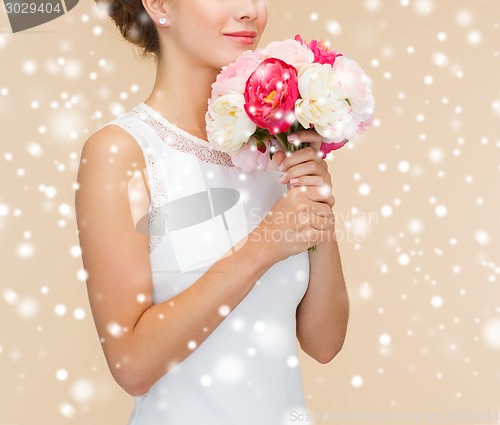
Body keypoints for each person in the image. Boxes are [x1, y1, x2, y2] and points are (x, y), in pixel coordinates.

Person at [75, 0, 349, 423]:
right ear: (160, 6)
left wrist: (316, 206)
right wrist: (262, 247)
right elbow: (132, 366)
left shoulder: (278, 148)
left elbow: (325, 343)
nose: (249, 11)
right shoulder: (122, 152)